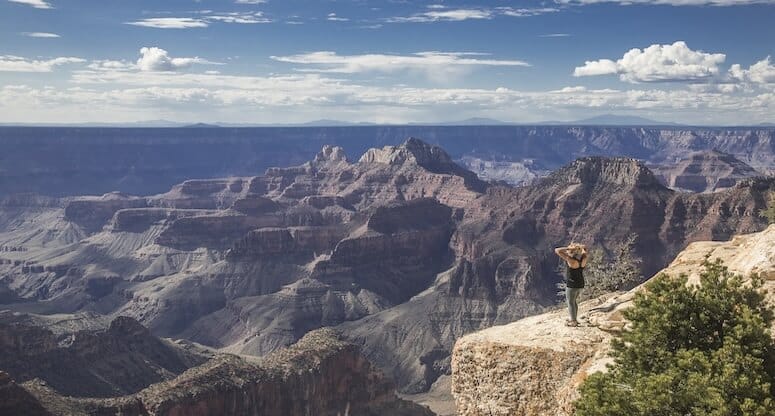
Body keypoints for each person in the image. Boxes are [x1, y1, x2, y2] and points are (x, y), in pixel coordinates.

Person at [555, 243, 588, 327]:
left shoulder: (570, 260)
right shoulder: (583, 259)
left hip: (572, 285)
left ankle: (573, 321)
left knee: (570, 302)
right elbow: (585, 250)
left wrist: (568, 248)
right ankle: (573, 318)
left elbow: (557, 250)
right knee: (574, 301)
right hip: (580, 283)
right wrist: (578, 248)